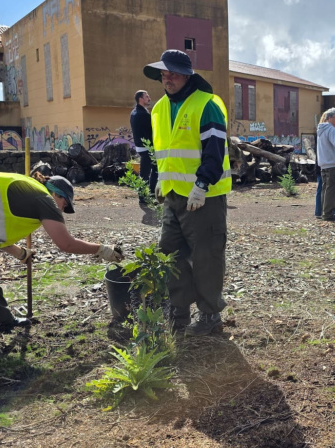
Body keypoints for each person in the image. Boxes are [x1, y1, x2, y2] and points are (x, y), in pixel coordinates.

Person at [0, 172, 124, 364]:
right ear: (55, 193)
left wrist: (19, 253)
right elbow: (65, 243)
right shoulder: (43, 198)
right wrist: (102, 249)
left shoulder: (28, 192)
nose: (62, 209)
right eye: (64, 203)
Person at [143, 49, 230, 337]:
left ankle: (210, 315)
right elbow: (164, 152)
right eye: (164, 74)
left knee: (207, 256)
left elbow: (215, 151)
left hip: (204, 196)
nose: (167, 78)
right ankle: (178, 312)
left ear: (188, 75)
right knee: (169, 254)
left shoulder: (206, 105)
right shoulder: (158, 109)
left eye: (174, 73)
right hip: (172, 195)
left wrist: (202, 185)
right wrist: (159, 179)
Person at [130, 90, 157, 202]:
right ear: (141, 99)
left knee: (146, 172)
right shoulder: (142, 114)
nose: (149, 98)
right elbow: (152, 130)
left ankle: (146, 195)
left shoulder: (135, 112)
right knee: (151, 171)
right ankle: (147, 195)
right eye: (147, 96)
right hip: (146, 147)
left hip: (141, 147)